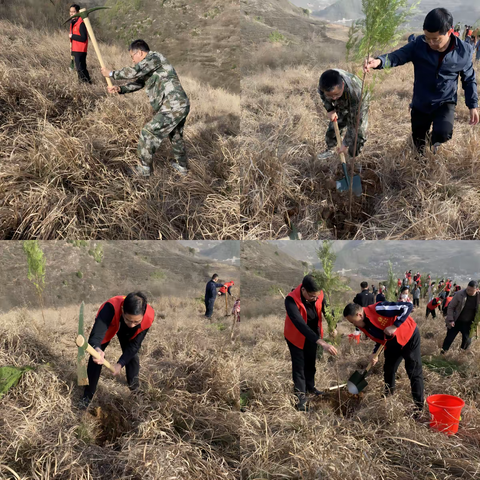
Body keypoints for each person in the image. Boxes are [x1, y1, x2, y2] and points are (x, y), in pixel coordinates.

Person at [363, 8, 479, 154]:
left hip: (445, 101)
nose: (430, 42)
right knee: (418, 142)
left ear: (449, 32)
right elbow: (398, 56)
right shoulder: (419, 44)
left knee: (443, 134)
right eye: (427, 37)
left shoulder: (464, 51)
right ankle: (421, 156)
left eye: (435, 39)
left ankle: (433, 143)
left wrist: (472, 105)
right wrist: (378, 62)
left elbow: (469, 80)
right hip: (421, 101)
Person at [101, 39, 190, 176]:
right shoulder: (150, 66)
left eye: (132, 57)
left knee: (148, 132)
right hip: (179, 104)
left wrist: (111, 74)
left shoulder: (154, 58)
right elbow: (139, 83)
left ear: (140, 53)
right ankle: (182, 167)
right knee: (176, 135)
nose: (132, 60)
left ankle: (144, 169)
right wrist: (120, 88)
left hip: (174, 104)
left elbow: (134, 72)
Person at [343, 301, 424, 411]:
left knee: (413, 371)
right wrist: (375, 354)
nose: (353, 324)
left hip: (408, 337)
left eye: (353, 321)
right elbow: (380, 338)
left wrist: (394, 326)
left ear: (359, 315)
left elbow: (407, 306)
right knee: (389, 369)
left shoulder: (379, 308)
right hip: (391, 343)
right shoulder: (364, 325)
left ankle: (419, 407)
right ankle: (388, 396)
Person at [80, 292, 154, 408]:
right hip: (112, 322)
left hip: (125, 331)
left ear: (143, 315)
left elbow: (135, 345)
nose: (132, 325)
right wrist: (97, 349)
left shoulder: (148, 317)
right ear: (123, 310)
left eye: (136, 321)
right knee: (96, 357)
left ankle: (135, 389)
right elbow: (95, 337)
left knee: (131, 356)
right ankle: (87, 396)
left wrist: (120, 364)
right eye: (129, 320)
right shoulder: (110, 308)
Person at [284, 275, 338, 411]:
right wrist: (322, 342)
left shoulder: (319, 294)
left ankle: (311, 388)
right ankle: (300, 399)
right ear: (303, 290)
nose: (315, 298)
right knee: (299, 367)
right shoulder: (290, 300)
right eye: (312, 296)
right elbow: (300, 324)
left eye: (317, 296)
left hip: (313, 335)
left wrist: (333, 326)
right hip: (295, 336)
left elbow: (327, 311)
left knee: (310, 363)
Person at [316, 69, 370, 160]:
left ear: (343, 85)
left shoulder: (357, 93)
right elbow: (323, 96)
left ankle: (352, 157)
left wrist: (345, 144)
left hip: (358, 100)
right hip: (344, 95)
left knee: (358, 133)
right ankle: (331, 149)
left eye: (336, 94)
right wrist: (330, 109)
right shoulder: (324, 85)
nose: (334, 98)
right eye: (330, 96)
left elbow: (354, 124)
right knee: (336, 123)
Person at [441, 280, 480, 352]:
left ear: (477, 290)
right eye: (468, 289)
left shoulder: (478, 297)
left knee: (467, 341)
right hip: (456, 321)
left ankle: (460, 355)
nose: (469, 292)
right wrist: (451, 319)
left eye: (471, 291)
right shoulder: (459, 294)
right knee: (449, 339)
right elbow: (451, 307)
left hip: (468, 323)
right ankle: (443, 353)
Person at [69, 4, 91, 84]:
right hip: (75, 49)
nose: (71, 13)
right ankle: (86, 84)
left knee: (81, 69)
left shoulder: (81, 23)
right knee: (80, 69)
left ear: (78, 12)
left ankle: (86, 84)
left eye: (73, 12)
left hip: (80, 50)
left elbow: (83, 38)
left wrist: (72, 36)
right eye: (70, 12)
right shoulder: (73, 22)